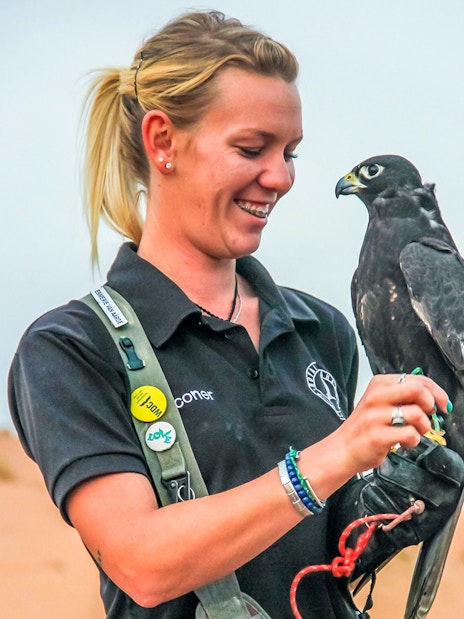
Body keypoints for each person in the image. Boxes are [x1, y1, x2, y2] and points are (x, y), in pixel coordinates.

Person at [8, 10, 463, 619]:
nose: (280, 177)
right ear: (163, 141)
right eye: (252, 149)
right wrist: (332, 458)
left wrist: (388, 508)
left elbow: (314, 552)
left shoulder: (320, 330)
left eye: (291, 152)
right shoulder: (71, 349)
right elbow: (144, 563)